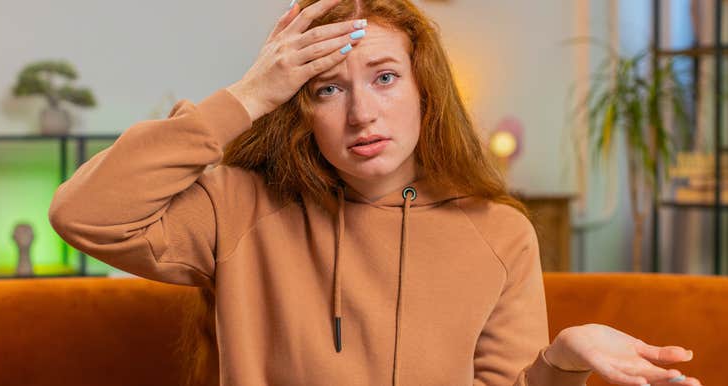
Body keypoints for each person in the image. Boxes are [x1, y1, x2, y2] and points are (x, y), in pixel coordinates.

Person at [47, 0, 702, 385]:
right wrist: (246, 98)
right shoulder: (237, 205)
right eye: (326, 88)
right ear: (296, 107)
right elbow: (85, 214)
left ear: (425, 90)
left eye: (385, 78)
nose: (361, 113)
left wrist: (558, 361)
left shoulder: (500, 233)